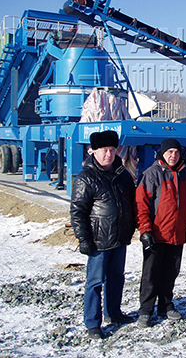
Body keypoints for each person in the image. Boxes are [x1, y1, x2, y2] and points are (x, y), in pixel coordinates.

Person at [70, 130, 136, 339]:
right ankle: (92, 323)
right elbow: (78, 211)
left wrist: (131, 226)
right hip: (98, 241)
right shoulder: (86, 178)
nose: (108, 154)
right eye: (104, 150)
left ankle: (113, 313)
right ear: (94, 152)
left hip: (119, 238)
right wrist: (84, 239)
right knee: (95, 282)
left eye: (112, 150)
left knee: (116, 278)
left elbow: (131, 203)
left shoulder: (122, 174)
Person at [136, 138, 186, 327]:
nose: (173, 155)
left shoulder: (185, 174)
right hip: (156, 234)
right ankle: (145, 310)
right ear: (162, 153)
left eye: (176, 152)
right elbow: (141, 204)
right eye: (169, 152)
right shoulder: (152, 174)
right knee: (151, 274)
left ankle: (166, 305)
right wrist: (145, 230)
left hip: (176, 235)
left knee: (171, 273)